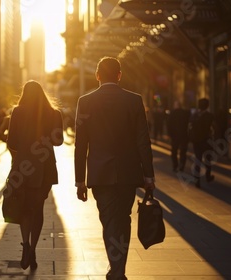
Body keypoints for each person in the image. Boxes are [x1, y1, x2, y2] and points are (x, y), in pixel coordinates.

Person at [74, 57, 155, 280]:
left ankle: (116, 269)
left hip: (100, 174)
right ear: (119, 75)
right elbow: (143, 141)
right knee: (123, 219)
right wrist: (148, 175)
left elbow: (81, 143)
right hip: (129, 173)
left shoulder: (86, 101)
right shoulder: (134, 100)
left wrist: (80, 180)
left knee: (109, 219)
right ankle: (118, 268)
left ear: (97, 75)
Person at [6, 80, 63, 270]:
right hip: (44, 168)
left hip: (22, 168)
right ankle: (33, 250)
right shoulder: (54, 114)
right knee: (37, 209)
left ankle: (25, 244)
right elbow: (59, 141)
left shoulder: (17, 112)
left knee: (24, 208)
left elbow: (11, 141)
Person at [188, 98, 215, 188]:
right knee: (208, 160)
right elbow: (213, 128)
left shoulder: (195, 115)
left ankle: (197, 180)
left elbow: (190, 127)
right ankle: (208, 176)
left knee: (198, 160)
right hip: (207, 141)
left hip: (197, 142)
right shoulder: (210, 116)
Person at [167, 100, 191, 172]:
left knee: (174, 152)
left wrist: (170, 134)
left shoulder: (172, 113)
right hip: (184, 135)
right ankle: (181, 166)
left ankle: (175, 166)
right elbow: (188, 124)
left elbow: (169, 125)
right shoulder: (185, 113)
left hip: (175, 136)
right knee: (183, 152)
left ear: (175, 105)